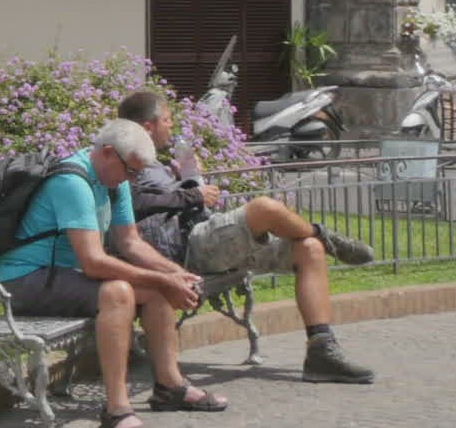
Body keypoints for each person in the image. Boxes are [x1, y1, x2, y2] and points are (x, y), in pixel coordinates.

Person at [117, 90, 376, 385]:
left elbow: (171, 199)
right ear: (148, 127)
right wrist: (191, 193)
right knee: (264, 208)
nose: (171, 126)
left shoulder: (157, 163)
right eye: (167, 120)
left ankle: (321, 351)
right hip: (187, 248)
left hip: (205, 236)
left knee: (309, 249)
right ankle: (328, 236)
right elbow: (138, 202)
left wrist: (187, 178)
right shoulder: (126, 164)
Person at [0, 119, 226, 428]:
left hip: (60, 275)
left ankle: (170, 387)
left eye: (138, 173)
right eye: (131, 170)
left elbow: (131, 243)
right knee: (118, 293)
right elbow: (93, 262)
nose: (133, 179)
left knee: (157, 291)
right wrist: (163, 278)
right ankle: (116, 409)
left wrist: (177, 274)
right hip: (22, 281)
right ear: (106, 153)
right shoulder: (72, 183)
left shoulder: (116, 182)